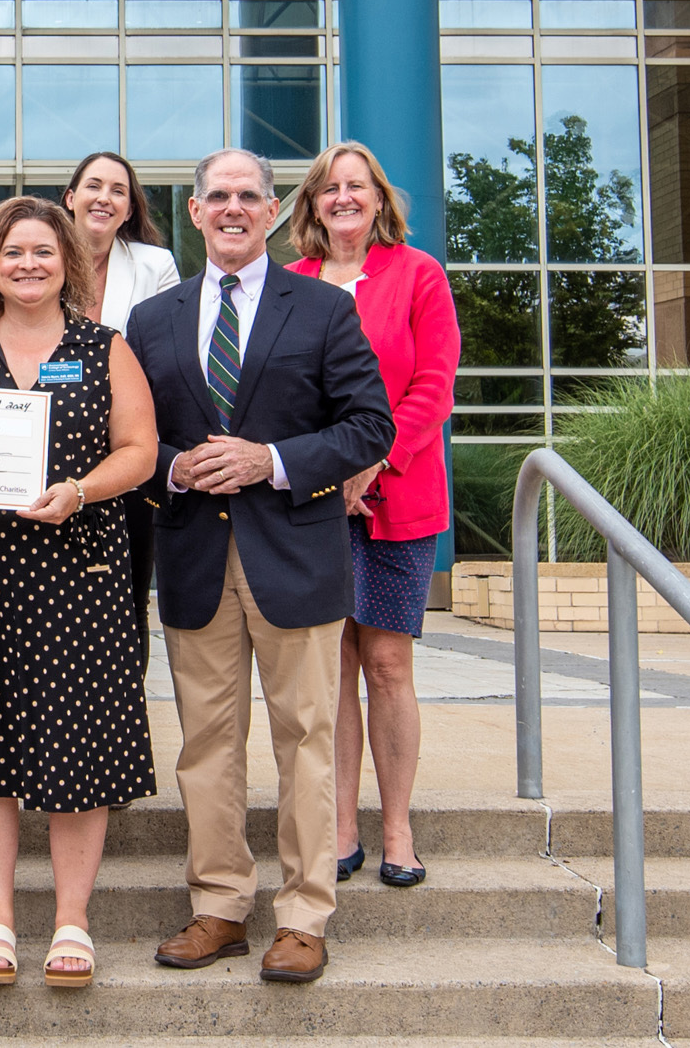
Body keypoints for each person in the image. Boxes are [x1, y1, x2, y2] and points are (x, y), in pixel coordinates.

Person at [125, 148, 394, 987]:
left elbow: (369, 425)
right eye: (218, 197)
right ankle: (220, 906)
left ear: (273, 211)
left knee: (307, 740)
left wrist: (270, 460)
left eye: (250, 196)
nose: (234, 208)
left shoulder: (321, 308)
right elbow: (132, 437)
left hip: (296, 556)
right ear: (195, 211)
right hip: (197, 559)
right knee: (206, 744)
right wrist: (174, 469)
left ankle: (305, 915)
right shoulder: (153, 319)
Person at [0, 197, 158, 988]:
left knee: (76, 752)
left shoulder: (104, 348)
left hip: (76, 575)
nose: (28, 264)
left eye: (42, 252)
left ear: (69, 263)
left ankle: (71, 919)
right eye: (12, 253)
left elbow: (141, 452)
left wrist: (81, 490)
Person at [286, 142, 460, 890]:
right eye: (330, 188)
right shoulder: (288, 283)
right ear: (313, 206)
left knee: (386, 663)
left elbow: (433, 384)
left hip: (400, 496)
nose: (344, 197)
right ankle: (339, 825)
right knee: (332, 667)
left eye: (357, 186)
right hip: (313, 504)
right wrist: (326, 468)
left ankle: (396, 826)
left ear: (381, 201)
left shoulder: (418, 275)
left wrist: (375, 460)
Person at [61, 151, 181, 672]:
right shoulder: (36, 255)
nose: (104, 198)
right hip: (47, 453)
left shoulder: (156, 266)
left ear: (130, 208)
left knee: (125, 602)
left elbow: (165, 363)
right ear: (70, 197)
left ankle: (119, 712)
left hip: (125, 460)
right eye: (93, 185)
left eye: (118, 190)